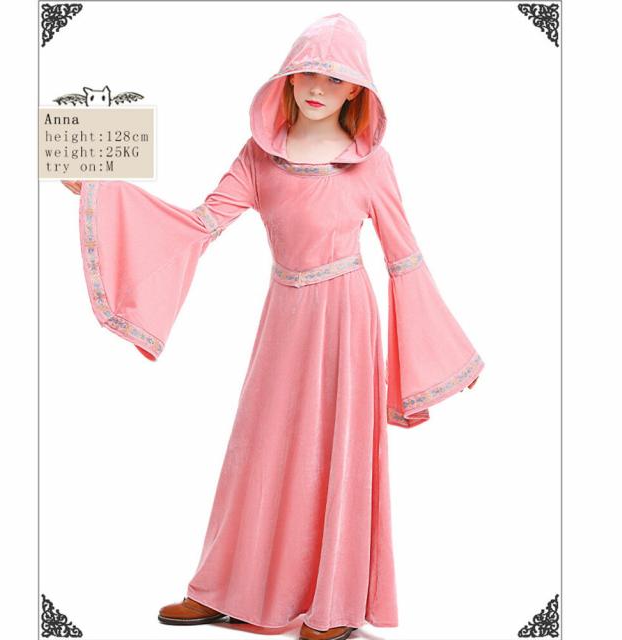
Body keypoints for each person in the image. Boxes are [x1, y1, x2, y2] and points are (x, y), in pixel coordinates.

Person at [62, 13, 483, 640]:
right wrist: (102, 192)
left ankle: (334, 605)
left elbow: (404, 258)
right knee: (256, 448)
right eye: (306, 73)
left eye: (333, 78)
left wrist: (441, 358)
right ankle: (223, 589)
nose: (317, 88)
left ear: (355, 90)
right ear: (286, 80)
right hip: (283, 315)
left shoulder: (371, 164)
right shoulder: (260, 155)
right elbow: (201, 224)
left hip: (344, 318)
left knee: (337, 453)